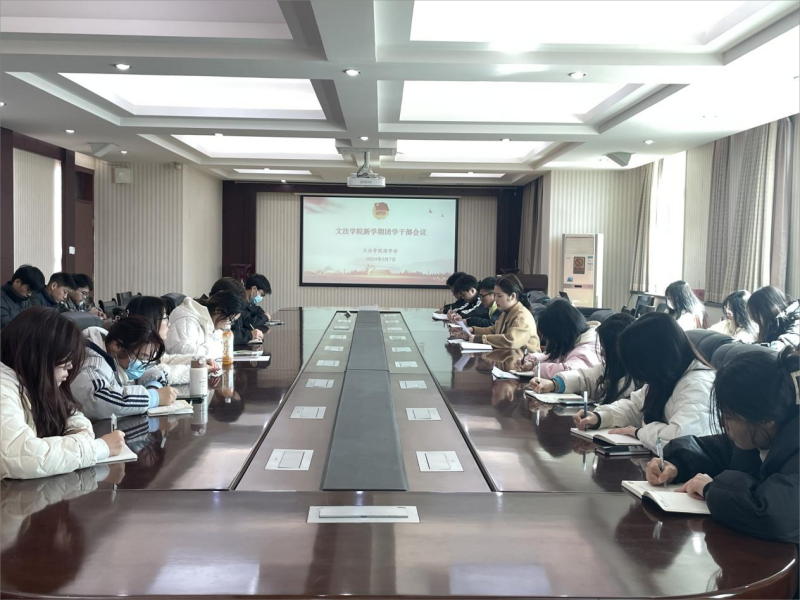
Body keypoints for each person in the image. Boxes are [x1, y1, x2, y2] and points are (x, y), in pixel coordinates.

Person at [646, 346, 799, 545]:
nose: (723, 425)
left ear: (766, 419)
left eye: (728, 417)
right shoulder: (757, 436)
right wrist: (675, 464)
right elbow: (715, 450)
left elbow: (772, 515)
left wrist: (710, 489)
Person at [0, 308, 126, 479]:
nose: (69, 370)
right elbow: (18, 457)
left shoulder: (33, 380)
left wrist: (79, 434)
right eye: (64, 364)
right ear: (37, 357)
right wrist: (99, 448)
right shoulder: (4, 388)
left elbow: (70, 413)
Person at [574, 312, 715, 452]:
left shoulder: (698, 385)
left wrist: (639, 432)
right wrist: (599, 417)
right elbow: (635, 406)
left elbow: (681, 440)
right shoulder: (668, 376)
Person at [72, 315, 176, 421]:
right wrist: (154, 397)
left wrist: (153, 387)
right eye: (142, 357)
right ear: (117, 346)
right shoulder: (90, 365)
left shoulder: (116, 357)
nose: (144, 363)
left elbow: (151, 371)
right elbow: (102, 400)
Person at [529, 312, 636, 405]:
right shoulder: (610, 368)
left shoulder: (633, 387)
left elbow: (623, 411)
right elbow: (585, 378)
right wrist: (554, 384)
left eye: (604, 348)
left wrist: (599, 416)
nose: (602, 352)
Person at [126, 295, 218, 384]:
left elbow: (167, 360)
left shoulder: (152, 348)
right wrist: (198, 371)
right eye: (165, 318)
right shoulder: (138, 353)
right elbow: (163, 375)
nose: (169, 323)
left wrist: (198, 361)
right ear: (151, 320)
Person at [454, 274, 540, 352]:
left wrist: (481, 339)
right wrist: (473, 330)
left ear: (512, 296)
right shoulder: (506, 313)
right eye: (495, 295)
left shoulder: (521, 317)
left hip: (525, 362)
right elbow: (494, 330)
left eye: (499, 296)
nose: (495, 299)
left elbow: (511, 341)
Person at [518, 299, 601, 378]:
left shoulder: (586, 350)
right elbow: (553, 358)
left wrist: (538, 368)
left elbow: (568, 372)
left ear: (560, 334)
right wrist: (532, 362)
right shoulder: (574, 342)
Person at [166, 290, 245, 357]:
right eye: (230, 319)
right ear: (218, 310)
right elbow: (183, 352)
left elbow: (222, 346)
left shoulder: (210, 321)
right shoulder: (187, 320)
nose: (228, 325)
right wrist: (217, 349)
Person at [747, 286, 800, 351]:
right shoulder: (774, 324)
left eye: (756, 313)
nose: (755, 319)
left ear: (766, 308)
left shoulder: (797, 316)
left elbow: (783, 344)